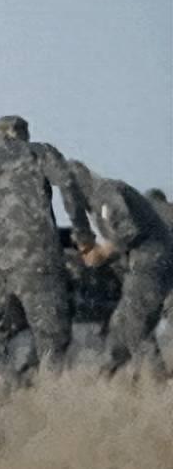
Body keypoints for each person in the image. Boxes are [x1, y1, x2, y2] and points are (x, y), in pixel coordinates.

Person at [0, 116, 94, 383]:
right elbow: (68, 185)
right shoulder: (41, 153)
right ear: (24, 133)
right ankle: (53, 409)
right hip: (38, 262)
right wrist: (82, 234)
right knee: (52, 344)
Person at [69, 161, 173, 378]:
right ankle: (106, 375)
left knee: (135, 326)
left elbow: (127, 232)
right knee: (122, 324)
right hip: (153, 269)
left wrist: (101, 254)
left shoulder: (105, 194)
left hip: (151, 266)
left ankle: (158, 383)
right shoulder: (103, 202)